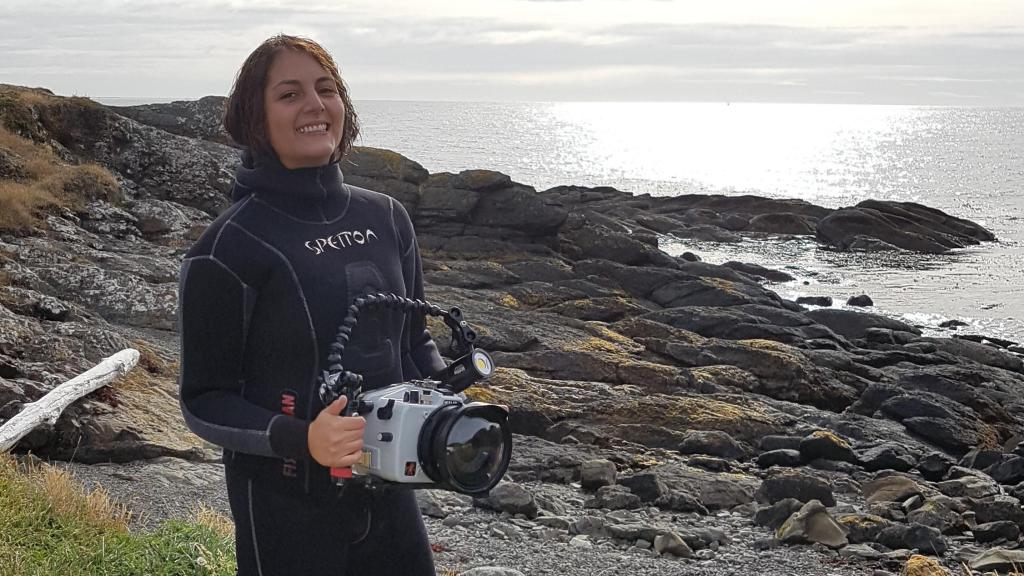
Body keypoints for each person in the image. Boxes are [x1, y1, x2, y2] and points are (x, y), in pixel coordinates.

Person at [177, 34, 446, 576]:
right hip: (285, 504)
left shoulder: (387, 217)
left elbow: (412, 343)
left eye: (326, 89)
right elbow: (204, 399)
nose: (314, 105)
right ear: (256, 117)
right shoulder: (228, 247)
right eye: (289, 94)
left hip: (391, 493)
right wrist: (306, 439)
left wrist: (453, 402)